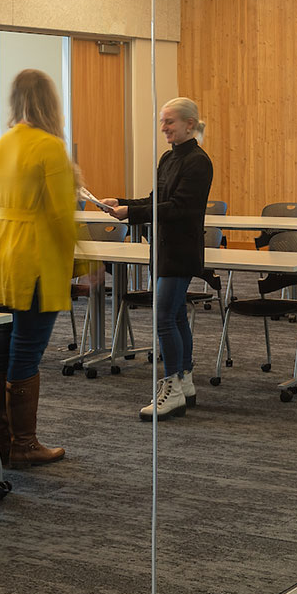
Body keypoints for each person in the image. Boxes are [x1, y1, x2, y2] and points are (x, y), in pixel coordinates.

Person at [0, 68, 80, 467]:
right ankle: (23, 444)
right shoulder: (50, 147)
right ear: (50, 102)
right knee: (25, 351)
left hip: (0, 253)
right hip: (35, 256)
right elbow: (60, 217)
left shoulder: (3, 144)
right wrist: (87, 263)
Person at [104, 97, 214, 420]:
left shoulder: (198, 162)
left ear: (189, 124)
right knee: (175, 316)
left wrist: (133, 212)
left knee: (164, 317)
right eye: (162, 121)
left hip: (180, 251)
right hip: (163, 249)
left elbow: (179, 208)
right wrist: (122, 203)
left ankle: (173, 388)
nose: (163, 128)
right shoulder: (168, 159)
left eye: (169, 122)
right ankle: (185, 382)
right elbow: (156, 201)